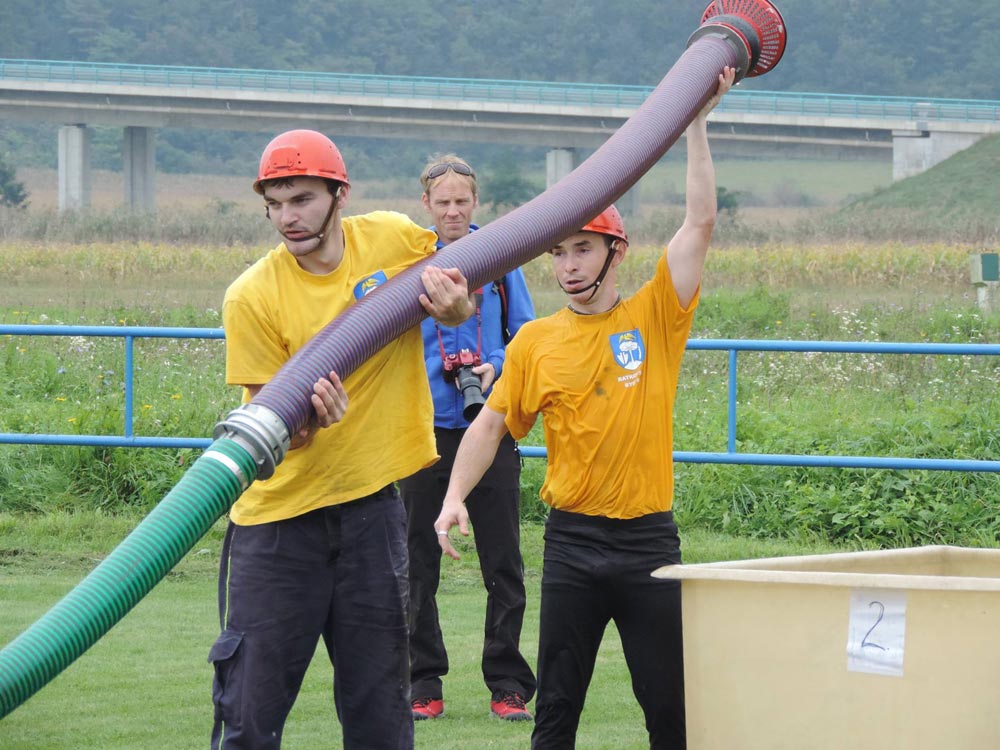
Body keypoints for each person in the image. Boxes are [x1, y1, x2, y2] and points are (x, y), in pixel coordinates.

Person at [434, 67, 736, 749]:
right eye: (559, 252)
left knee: (669, 710)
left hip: (648, 543)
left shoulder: (656, 316)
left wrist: (696, 122)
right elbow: (491, 424)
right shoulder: (537, 341)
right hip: (571, 544)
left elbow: (700, 222)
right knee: (556, 711)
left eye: (583, 249)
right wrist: (453, 497)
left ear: (614, 252)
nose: (568, 265)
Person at [211, 128, 475, 750]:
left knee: (381, 709)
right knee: (251, 710)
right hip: (279, 527)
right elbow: (268, 429)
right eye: (275, 204)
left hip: (371, 512)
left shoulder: (391, 239)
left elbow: (465, 274)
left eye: (302, 199)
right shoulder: (252, 296)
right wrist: (306, 423)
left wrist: (457, 312)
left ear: (340, 194)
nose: (288, 217)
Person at [400, 155, 537, 722]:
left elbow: (526, 333)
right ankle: (422, 682)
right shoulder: (409, 263)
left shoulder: (500, 260)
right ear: (426, 205)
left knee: (503, 563)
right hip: (421, 429)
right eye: (443, 202)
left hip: (489, 426)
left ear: (475, 202)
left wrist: (496, 365)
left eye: (462, 201)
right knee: (415, 564)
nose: (453, 211)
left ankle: (507, 685)